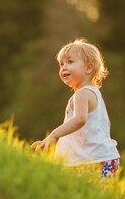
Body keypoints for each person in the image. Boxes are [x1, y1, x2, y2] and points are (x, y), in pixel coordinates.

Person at [31, 38, 120, 178]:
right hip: (99, 158)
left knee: (87, 196)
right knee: (87, 196)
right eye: (61, 64)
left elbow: (80, 119)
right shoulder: (93, 92)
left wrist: (53, 135)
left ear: (89, 68)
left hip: (95, 161)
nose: (63, 68)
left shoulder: (82, 94)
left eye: (70, 62)